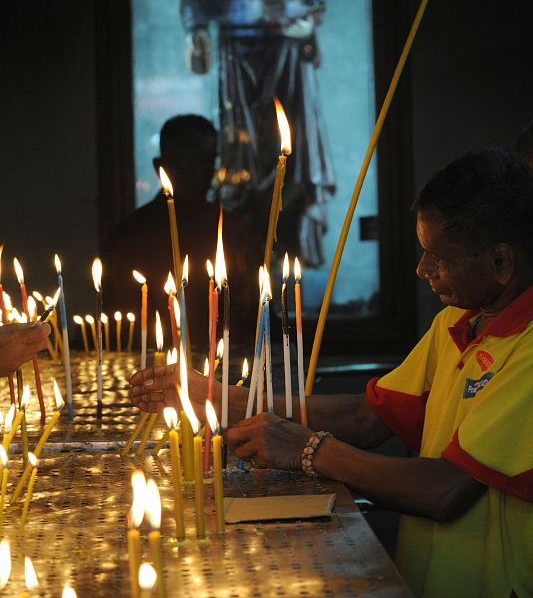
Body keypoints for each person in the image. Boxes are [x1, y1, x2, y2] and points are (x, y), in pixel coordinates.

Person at [130, 148, 533, 598]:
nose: (423, 270)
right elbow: (368, 417)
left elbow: (444, 491)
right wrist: (222, 396)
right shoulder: (457, 323)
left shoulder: (528, 350)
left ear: (500, 263)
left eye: (438, 258)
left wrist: (307, 449)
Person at [180, 0, 336, 266]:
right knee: (243, 150)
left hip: (283, 56)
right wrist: (197, 34)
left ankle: (286, 236)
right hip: (238, 56)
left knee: (288, 144)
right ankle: (245, 246)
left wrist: (306, 25)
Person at [102, 115, 262, 356]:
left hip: (146, 376)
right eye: (202, 162)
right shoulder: (232, 230)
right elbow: (255, 317)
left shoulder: (124, 234)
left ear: (159, 167)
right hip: (221, 377)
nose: (202, 171)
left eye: (202, 161)